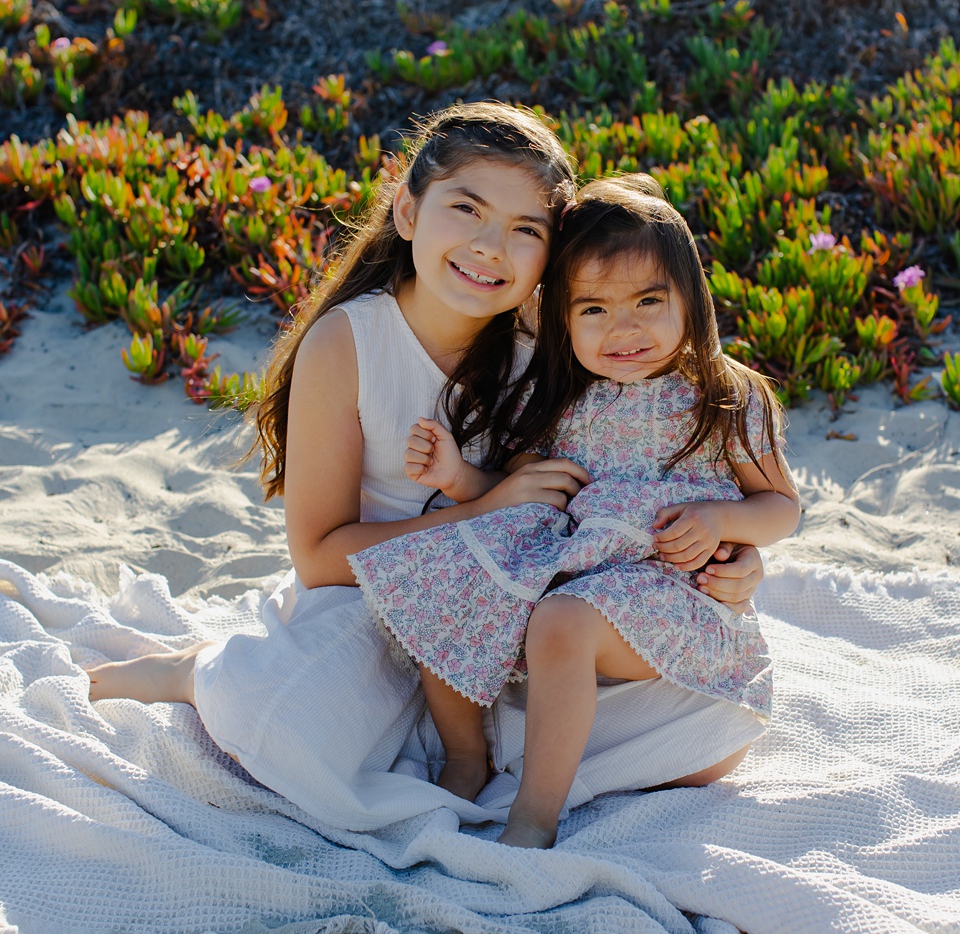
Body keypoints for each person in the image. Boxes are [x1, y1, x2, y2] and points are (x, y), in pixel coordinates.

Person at [87, 107, 767, 834]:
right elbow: (318, 560)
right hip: (368, 599)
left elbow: (644, 472)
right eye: (466, 209)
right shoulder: (348, 344)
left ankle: (476, 749)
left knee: (710, 737)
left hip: (514, 612)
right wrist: (479, 511)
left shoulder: (560, 340)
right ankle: (197, 671)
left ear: (552, 257)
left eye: (525, 230)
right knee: (280, 730)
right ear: (408, 210)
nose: (489, 247)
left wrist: (737, 551)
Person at [351, 175, 800, 846]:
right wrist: (459, 475)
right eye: (593, 309)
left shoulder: (725, 395)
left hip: (673, 588)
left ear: (691, 300)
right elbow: (519, 487)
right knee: (447, 575)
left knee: (562, 622)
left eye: (650, 300)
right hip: (574, 570)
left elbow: (782, 509)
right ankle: (466, 755)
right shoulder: (562, 397)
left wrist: (721, 520)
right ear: (562, 318)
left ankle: (534, 817)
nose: (625, 328)